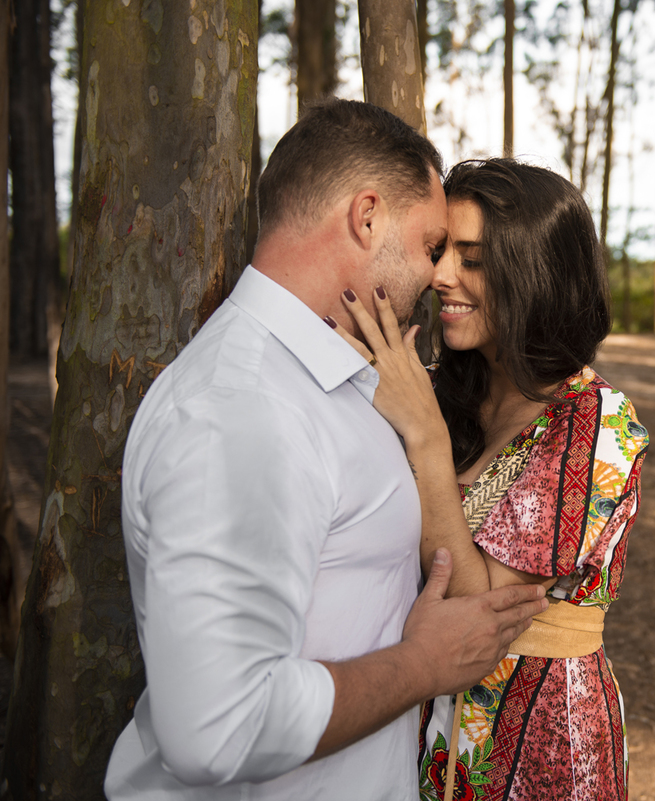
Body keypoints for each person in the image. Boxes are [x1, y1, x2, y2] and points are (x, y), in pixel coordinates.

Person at [105, 101, 548, 800]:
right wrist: (424, 664)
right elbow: (219, 727)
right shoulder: (242, 410)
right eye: (432, 243)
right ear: (367, 216)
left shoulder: (327, 377)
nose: (437, 275)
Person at [333, 159, 649, 801]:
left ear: (536, 275)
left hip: (540, 741)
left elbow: (478, 601)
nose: (441, 275)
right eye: (442, 250)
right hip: (429, 720)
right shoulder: (449, 389)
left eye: (472, 258)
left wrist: (423, 434)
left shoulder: (597, 422)